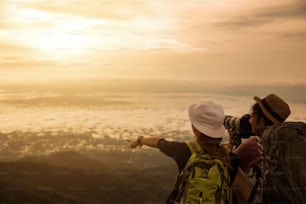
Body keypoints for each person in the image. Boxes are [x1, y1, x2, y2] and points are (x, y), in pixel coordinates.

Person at [130, 101, 233, 203]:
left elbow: (158, 142)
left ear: (194, 128)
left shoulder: (184, 150)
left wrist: (139, 140)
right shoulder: (230, 158)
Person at [230, 93, 291, 203]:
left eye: (252, 116)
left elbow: (232, 162)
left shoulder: (255, 143)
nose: (249, 120)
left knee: (230, 166)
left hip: (262, 201)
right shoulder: (285, 143)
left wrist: (231, 142)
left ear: (262, 120)